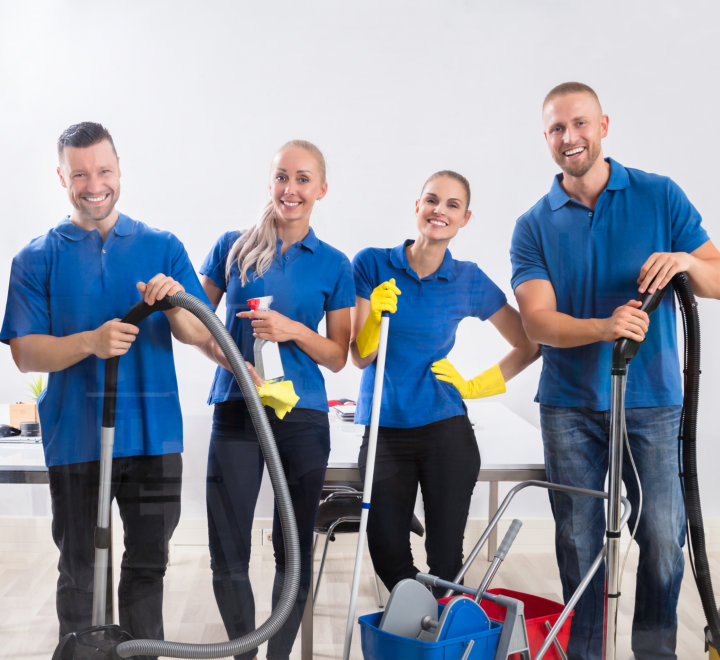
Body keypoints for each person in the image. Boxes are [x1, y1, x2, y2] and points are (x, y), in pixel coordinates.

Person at [510, 81, 720, 660]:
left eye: (579, 124)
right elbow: (538, 324)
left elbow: (717, 278)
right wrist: (607, 326)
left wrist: (684, 260)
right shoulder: (534, 224)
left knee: (661, 536)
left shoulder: (659, 196)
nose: (569, 138)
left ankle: (654, 652)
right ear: (546, 139)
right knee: (579, 543)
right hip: (569, 406)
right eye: (556, 129)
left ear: (604, 124)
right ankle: (585, 655)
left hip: (653, 401)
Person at [0, 122, 215, 651]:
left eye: (103, 171)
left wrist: (172, 301)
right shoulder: (36, 257)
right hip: (74, 440)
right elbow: (26, 352)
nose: (94, 184)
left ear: (119, 171)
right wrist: (90, 343)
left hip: (154, 438)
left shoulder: (162, 246)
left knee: (147, 569)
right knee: (79, 573)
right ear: (62, 177)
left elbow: (199, 332)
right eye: (79, 173)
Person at [199, 139, 354, 660]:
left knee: (293, 547)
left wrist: (291, 330)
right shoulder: (232, 247)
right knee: (227, 546)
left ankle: (279, 656)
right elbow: (196, 323)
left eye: (303, 179)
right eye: (283, 177)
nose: (291, 189)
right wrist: (230, 359)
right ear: (271, 183)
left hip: (302, 415)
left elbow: (337, 356)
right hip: (238, 409)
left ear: (321, 189)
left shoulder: (335, 264)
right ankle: (245, 653)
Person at [350, 170, 539, 596]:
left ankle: (439, 636)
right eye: (432, 200)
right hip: (384, 429)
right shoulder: (371, 263)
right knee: (386, 547)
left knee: (446, 557)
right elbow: (360, 356)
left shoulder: (467, 278)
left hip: (444, 428)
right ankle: (413, 618)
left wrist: (475, 386)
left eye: (453, 205)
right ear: (417, 206)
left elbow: (529, 343)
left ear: (465, 218)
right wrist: (376, 317)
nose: (440, 210)